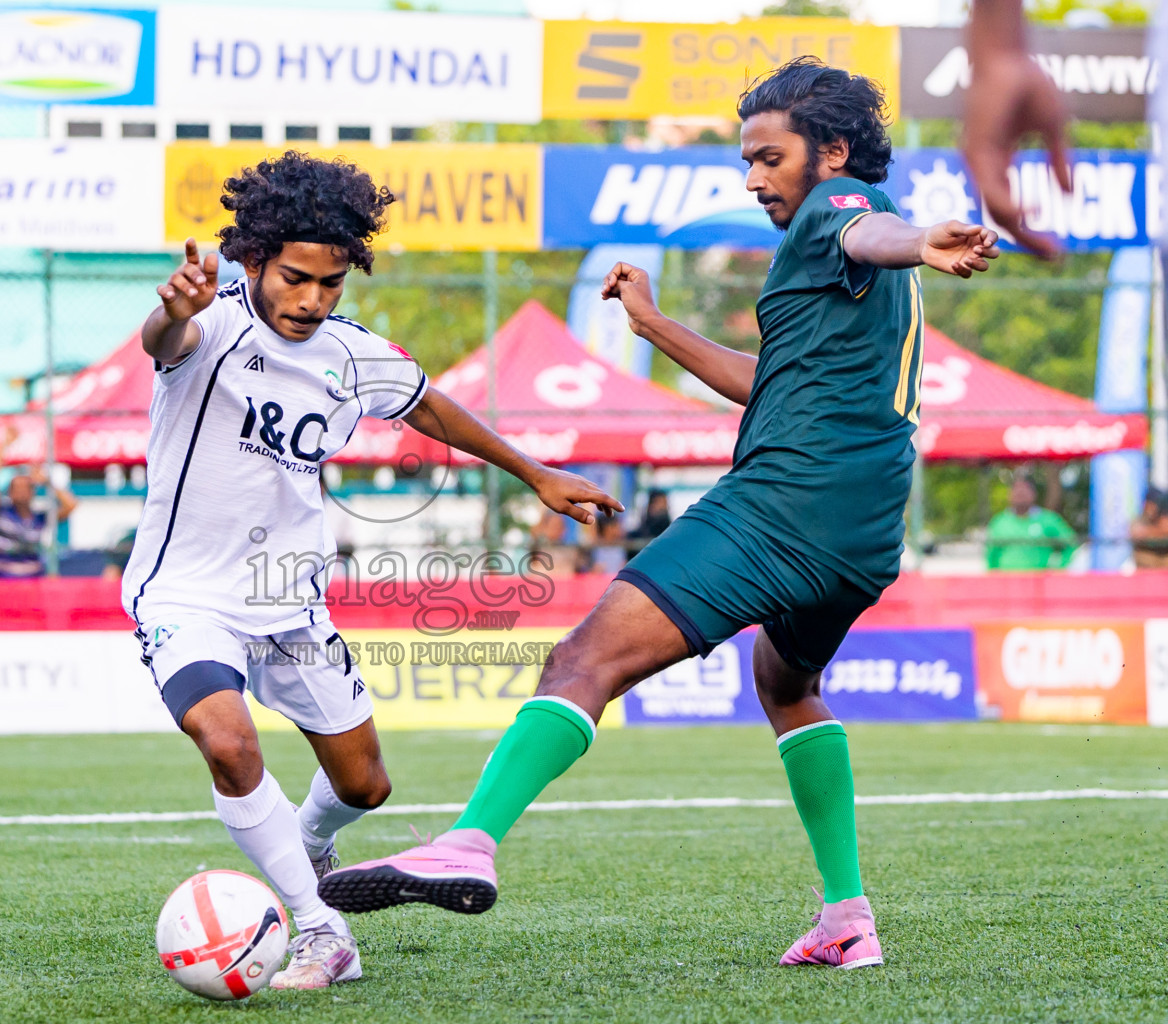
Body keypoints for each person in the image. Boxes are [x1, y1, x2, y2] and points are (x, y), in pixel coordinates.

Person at [320, 59, 1000, 971]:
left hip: (785, 506)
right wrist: (649, 323)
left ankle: (467, 843)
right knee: (786, 683)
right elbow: (771, 383)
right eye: (747, 161)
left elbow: (868, 229)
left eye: (769, 158)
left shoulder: (835, 211)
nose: (753, 178)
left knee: (582, 660)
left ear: (832, 152)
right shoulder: (851, 267)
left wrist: (917, 239)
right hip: (867, 530)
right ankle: (846, 917)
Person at [121, 151, 619, 990]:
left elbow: (430, 407)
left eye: (331, 282)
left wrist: (535, 473)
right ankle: (321, 930)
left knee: (364, 785)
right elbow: (165, 341)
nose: (312, 299)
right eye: (294, 278)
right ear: (254, 261)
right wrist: (171, 312)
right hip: (186, 594)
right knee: (228, 742)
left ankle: (306, 848)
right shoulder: (211, 326)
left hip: (291, 600)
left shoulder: (351, 353)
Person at [963, 0, 1071, 258]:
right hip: (1021, 67)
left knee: (985, 155)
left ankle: (1057, 158)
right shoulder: (1017, 70)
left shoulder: (998, 78)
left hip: (1004, 71)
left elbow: (981, 154)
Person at [0, 426, 78, 580]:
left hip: (34, 583)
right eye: (17, 488)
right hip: (4, 583)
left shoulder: (40, 518)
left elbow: (71, 505)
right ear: (10, 493)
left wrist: (48, 481)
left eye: (25, 488)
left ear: (32, 492)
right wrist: (4, 445)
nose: (21, 492)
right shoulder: (0, 513)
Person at [984, 477, 1077, 571]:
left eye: (1025, 489)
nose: (1020, 493)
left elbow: (1071, 542)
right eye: (1016, 489)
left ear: (1034, 494)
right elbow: (990, 555)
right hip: (1006, 578)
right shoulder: (999, 522)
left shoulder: (1048, 519)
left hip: (1039, 578)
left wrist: (1059, 567)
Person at [623, 490, 672, 561]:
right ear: (650, 505)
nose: (662, 507)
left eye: (664, 503)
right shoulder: (636, 535)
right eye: (659, 503)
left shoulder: (670, 531)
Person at [1131, 488, 1168, 569]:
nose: (1152, 508)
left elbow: (1165, 528)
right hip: (1147, 568)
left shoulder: (1159, 518)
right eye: (1150, 504)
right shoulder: (1141, 520)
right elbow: (1136, 532)